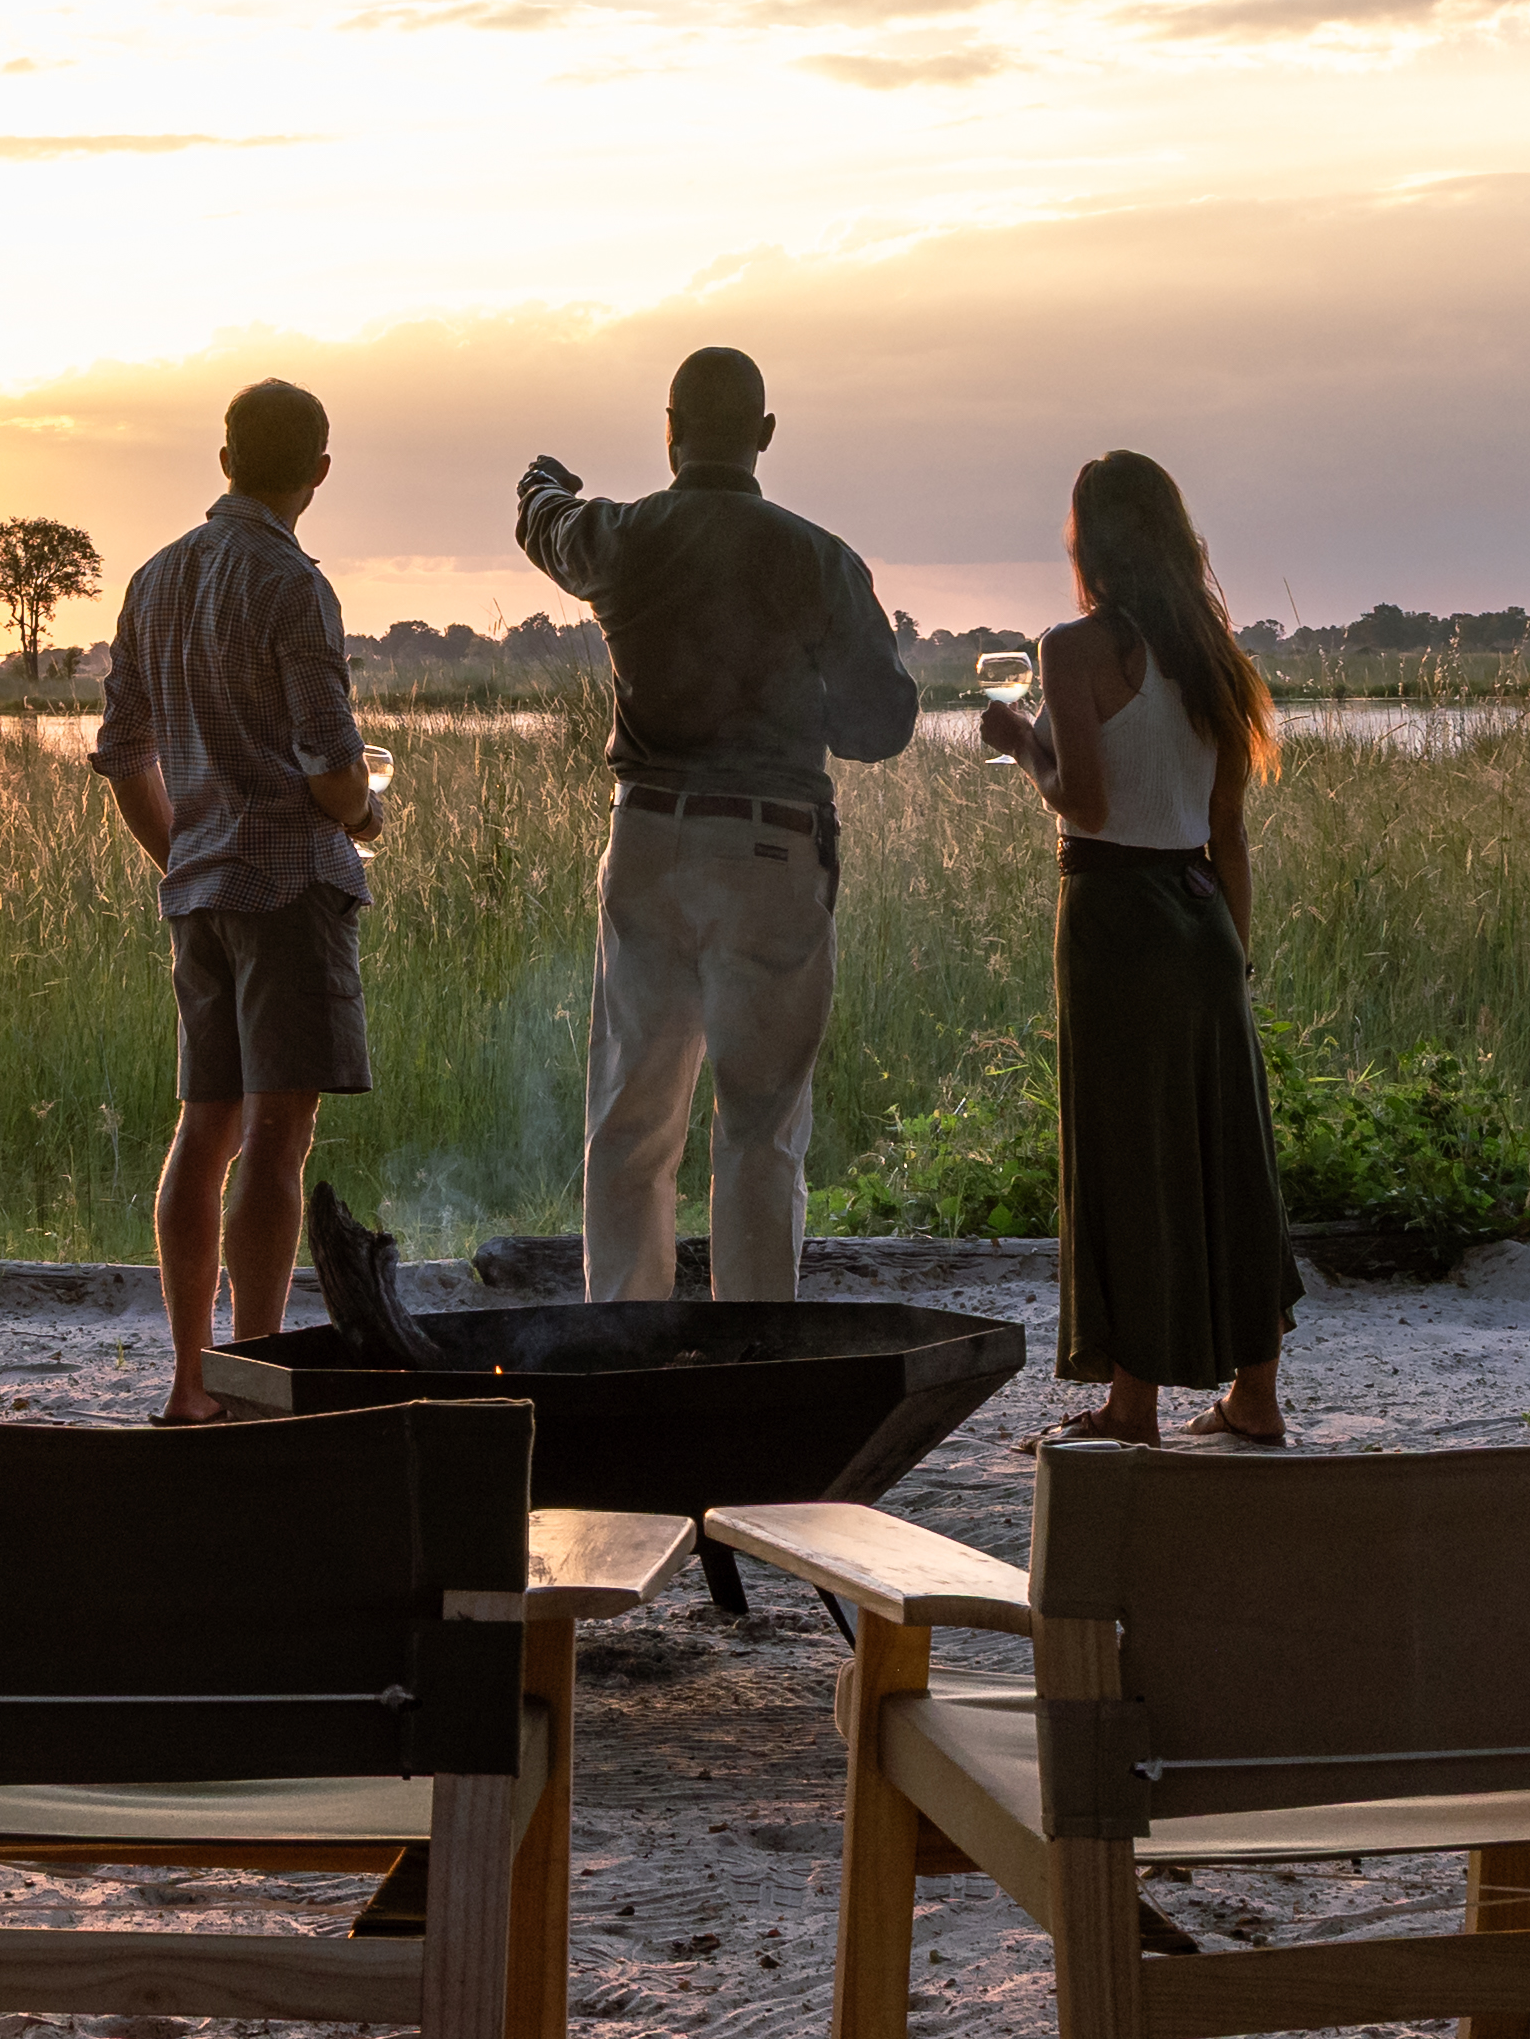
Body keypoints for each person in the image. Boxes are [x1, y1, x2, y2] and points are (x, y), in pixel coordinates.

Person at [511, 342, 917, 1302]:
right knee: (762, 1126)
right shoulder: (819, 558)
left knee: (630, 1119)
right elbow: (884, 724)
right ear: (766, 436)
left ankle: (626, 1341)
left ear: (670, 431)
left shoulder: (624, 539)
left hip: (649, 835)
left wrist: (538, 484)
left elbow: (549, 526)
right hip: (775, 845)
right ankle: (759, 1347)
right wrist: (790, 706)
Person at [978, 448, 1290, 1444]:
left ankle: (1130, 1405)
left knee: (1123, 1154)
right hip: (1200, 916)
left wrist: (1016, 738)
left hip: (1112, 916)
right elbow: (1228, 831)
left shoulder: (1071, 649)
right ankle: (1254, 1397)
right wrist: (1229, 959)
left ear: (1089, 540)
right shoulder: (1213, 659)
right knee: (1221, 1154)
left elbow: (1084, 799)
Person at [89, 377, 383, 1421]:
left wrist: (183, 857)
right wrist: (365, 815)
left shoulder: (153, 578)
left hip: (202, 891)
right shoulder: (294, 585)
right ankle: (256, 1380)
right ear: (318, 470)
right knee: (276, 1135)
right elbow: (328, 761)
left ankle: (187, 1382)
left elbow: (122, 754)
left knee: (200, 1129)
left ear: (222, 462)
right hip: (290, 889)